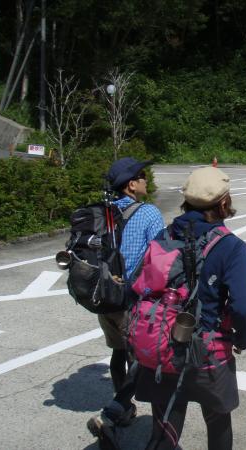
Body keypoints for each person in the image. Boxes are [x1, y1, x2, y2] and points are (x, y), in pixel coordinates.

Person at [136, 166, 246, 450]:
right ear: (224, 203)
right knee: (217, 421)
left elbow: (140, 286)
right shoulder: (231, 246)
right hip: (209, 350)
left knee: (165, 426)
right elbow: (243, 306)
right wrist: (242, 338)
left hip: (162, 344)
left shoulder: (164, 236)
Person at [87, 157, 165, 446]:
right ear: (132, 185)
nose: (146, 180)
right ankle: (114, 413)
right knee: (142, 361)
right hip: (131, 299)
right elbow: (161, 256)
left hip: (103, 297)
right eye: (142, 176)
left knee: (119, 352)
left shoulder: (102, 212)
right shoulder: (148, 213)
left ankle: (124, 410)